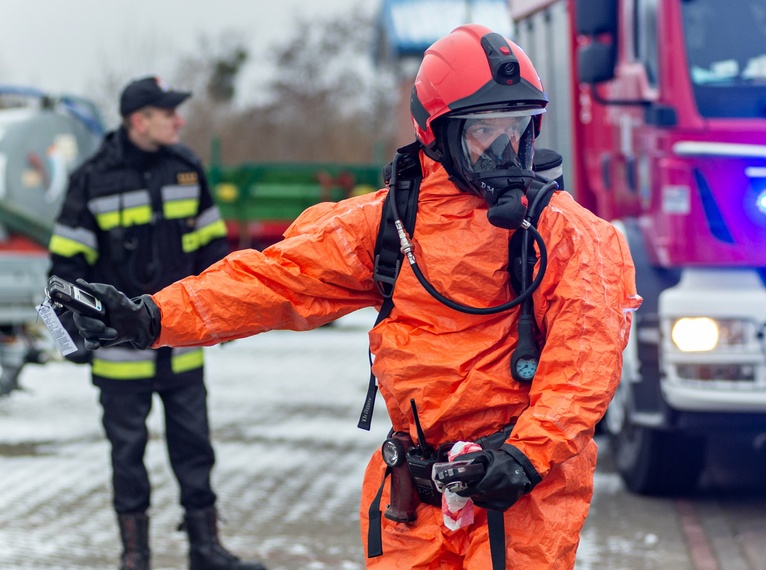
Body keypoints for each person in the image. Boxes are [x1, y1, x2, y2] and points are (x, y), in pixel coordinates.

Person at [67, 26, 640, 569]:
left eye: (518, 126)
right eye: (483, 129)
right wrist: (149, 316)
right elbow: (273, 281)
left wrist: (524, 456)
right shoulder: (389, 224)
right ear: (436, 132)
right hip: (414, 498)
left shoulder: (568, 235)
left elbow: (584, 365)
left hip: (519, 498)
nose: (505, 148)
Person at [48, 76, 265, 570]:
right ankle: (135, 555)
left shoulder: (187, 168)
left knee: (195, 449)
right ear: (138, 120)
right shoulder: (92, 178)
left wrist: (226, 312)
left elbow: (215, 252)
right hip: (119, 358)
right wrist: (76, 337)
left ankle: (205, 549)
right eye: (168, 113)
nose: (179, 121)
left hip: (181, 345)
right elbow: (65, 269)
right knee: (127, 456)